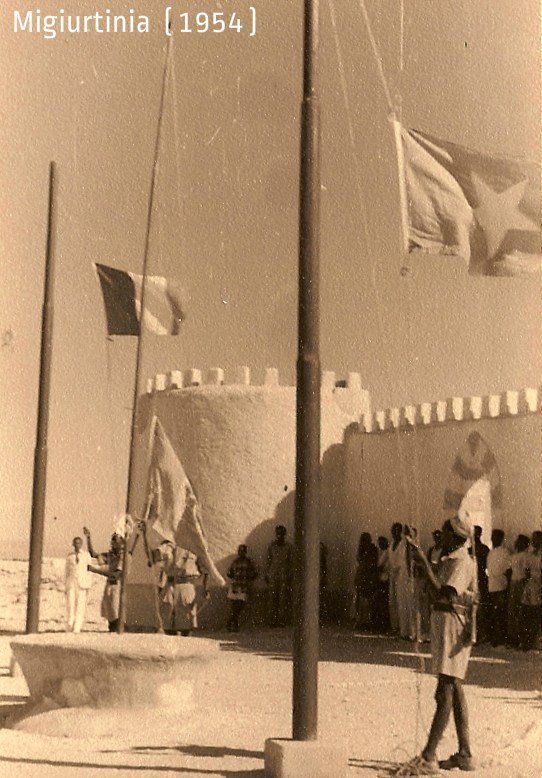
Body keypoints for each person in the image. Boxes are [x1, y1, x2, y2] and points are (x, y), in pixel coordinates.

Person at [395, 515, 478, 776]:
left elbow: (445, 593)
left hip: (454, 627)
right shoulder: (449, 559)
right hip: (446, 626)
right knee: (454, 687)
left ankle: (429, 755)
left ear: (458, 537)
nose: (442, 534)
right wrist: (416, 552)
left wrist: (423, 560)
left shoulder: (462, 562)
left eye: (446, 531)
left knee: (445, 691)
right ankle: (465, 753)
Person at [156, 541, 209, 636]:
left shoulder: (196, 548)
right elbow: (158, 559)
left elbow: (205, 570)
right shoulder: (169, 545)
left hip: (186, 586)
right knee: (168, 622)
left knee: (186, 623)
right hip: (170, 585)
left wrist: (205, 588)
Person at [84, 526, 124, 632]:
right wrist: (88, 538)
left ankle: (116, 629)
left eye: (115, 540)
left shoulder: (123, 556)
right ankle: (112, 628)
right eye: (112, 540)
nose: (113, 543)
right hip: (109, 584)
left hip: (117, 584)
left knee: (115, 608)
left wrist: (95, 570)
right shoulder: (110, 555)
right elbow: (94, 554)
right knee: (108, 608)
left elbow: (116, 575)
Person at [486, 529, 511, 648]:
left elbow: (508, 570)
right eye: (492, 536)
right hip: (491, 586)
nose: (493, 539)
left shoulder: (505, 552)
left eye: (496, 537)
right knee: (493, 612)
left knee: (500, 612)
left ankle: (501, 638)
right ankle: (494, 637)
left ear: (500, 539)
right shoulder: (490, 553)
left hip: (501, 586)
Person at [265, 525, 293, 627]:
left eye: (282, 534)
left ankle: (282, 621)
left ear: (284, 534)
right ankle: (272, 621)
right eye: (278, 533)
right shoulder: (272, 546)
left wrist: (290, 575)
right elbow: (268, 561)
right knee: (272, 598)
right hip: (273, 575)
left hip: (284, 576)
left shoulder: (289, 547)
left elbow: (291, 562)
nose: (280, 536)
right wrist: (267, 574)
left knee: (283, 599)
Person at [226, 544, 258, 632]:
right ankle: (233, 623)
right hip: (236, 587)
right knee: (235, 607)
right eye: (240, 551)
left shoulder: (248, 562)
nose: (241, 553)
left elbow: (254, 573)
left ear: (245, 552)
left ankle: (231, 622)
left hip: (242, 587)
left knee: (239, 606)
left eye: (243, 551)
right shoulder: (236, 562)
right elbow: (229, 573)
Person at [519, 530, 542, 652]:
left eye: (536, 539)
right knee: (528, 613)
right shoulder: (529, 555)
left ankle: (536, 641)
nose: (533, 541)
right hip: (530, 585)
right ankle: (527, 641)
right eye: (533, 539)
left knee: (537, 613)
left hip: (539, 585)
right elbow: (526, 570)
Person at [64, 536, 93, 633]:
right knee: (70, 604)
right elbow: (66, 571)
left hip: (82, 583)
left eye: (79, 543)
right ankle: (70, 624)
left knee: (80, 605)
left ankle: (77, 627)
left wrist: (88, 583)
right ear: (73, 544)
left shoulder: (86, 555)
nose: (77, 545)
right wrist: (66, 585)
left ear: (81, 544)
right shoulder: (70, 556)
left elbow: (89, 570)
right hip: (71, 583)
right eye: (75, 543)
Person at [507, 534, 530, 648]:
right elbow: (510, 570)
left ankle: (521, 639)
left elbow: (527, 572)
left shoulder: (525, 556)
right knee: (512, 611)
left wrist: (524, 585)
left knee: (520, 611)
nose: (518, 543)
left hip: (521, 583)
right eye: (518, 541)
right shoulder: (514, 556)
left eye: (521, 542)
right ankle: (513, 638)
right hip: (513, 583)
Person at [354, 533, 378, 630]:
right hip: (362, 577)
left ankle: (366, 621)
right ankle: (361, 620)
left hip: (368, 577)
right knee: (361, 599)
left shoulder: (372, 550)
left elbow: (371, 564)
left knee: (367, 600)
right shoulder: (363, 550)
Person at [473, 525, 490, 642]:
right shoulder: (481, 549)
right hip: (477, 579)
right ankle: (476, 634)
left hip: (480, 579)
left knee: (480, 607)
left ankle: (481, 634)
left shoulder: (483, 549)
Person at [374, 536, 390, 633]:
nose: (380, 545)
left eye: (382, 543)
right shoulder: (380, 552)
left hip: (385, 579)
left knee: (384, 603)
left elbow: (380, 565)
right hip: (381, 579)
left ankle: (384, 624)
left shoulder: (387, 552)